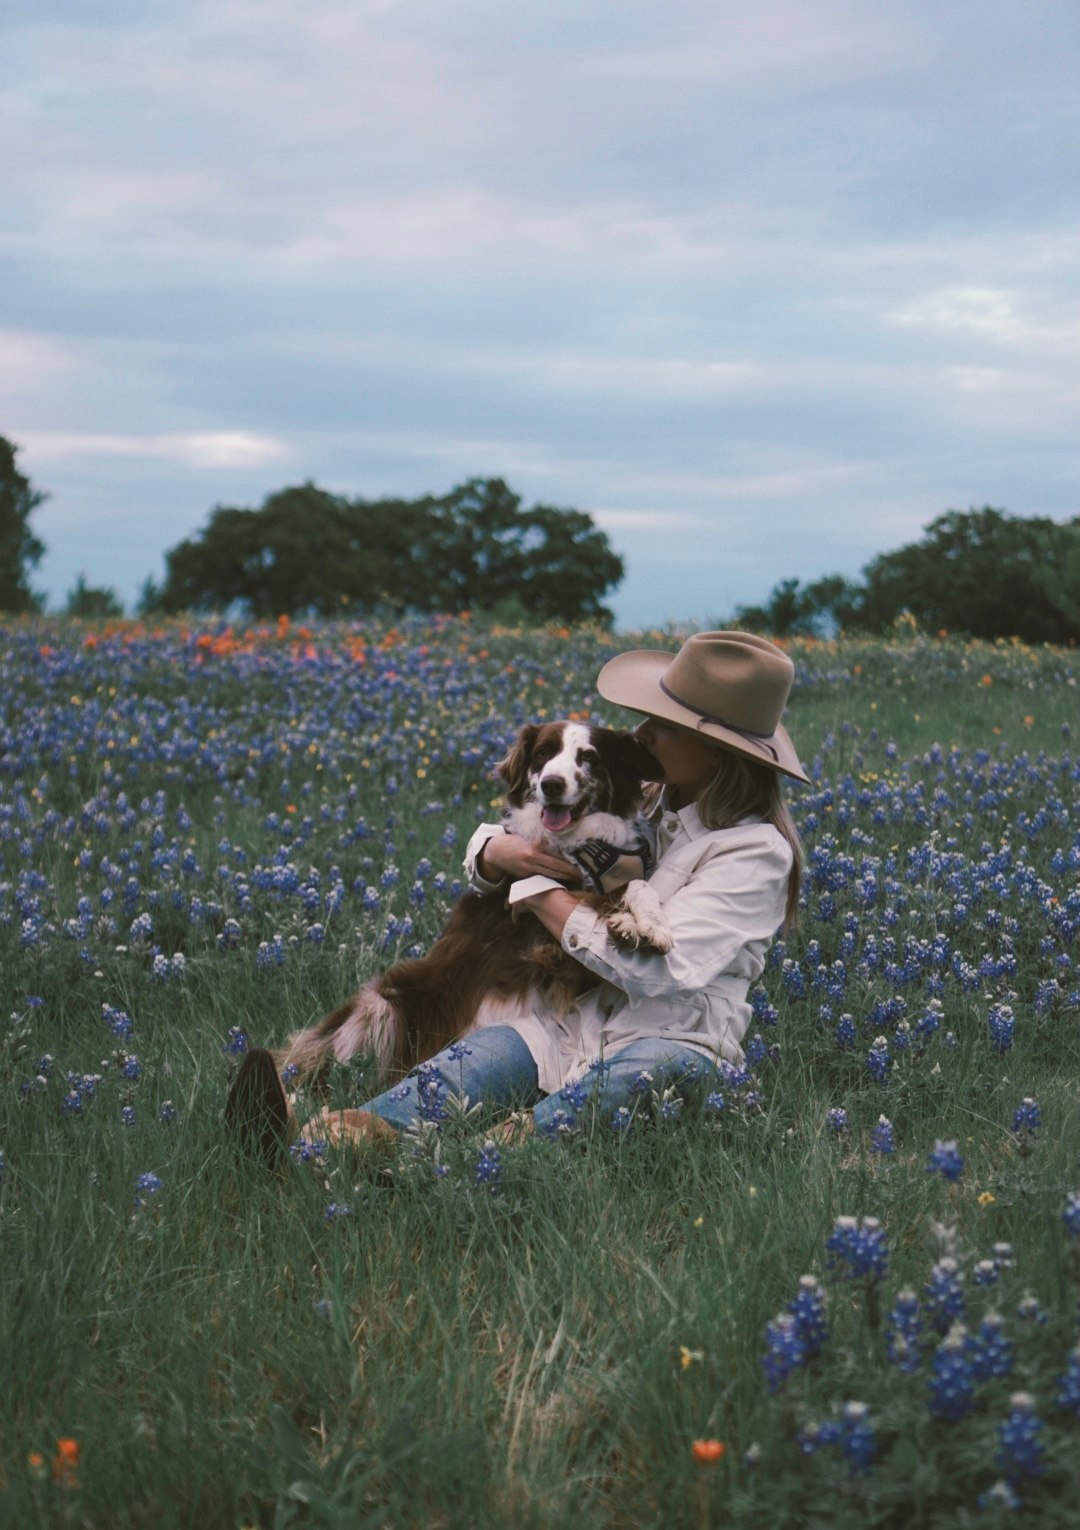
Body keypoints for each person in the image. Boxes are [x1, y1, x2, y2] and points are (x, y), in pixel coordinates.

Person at [231, 631, 806, 1154]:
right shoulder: (649, 801)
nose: (641, 733)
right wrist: (492, 852)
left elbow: (658, 971)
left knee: (632, 1081)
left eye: (665, 725)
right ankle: (315, 1146)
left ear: (717, 752)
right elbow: (523, 827)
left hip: (670, 1044)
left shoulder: (753, 853)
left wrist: (534, 891)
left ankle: (475, 1161)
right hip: (564, 1028)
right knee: (462, 1071)